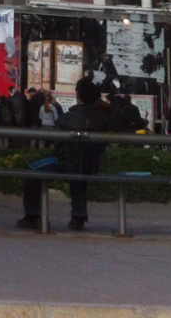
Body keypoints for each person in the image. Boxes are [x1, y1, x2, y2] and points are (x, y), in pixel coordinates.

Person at [18, 76, 107, 232]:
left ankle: (32, 216)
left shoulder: (69, 117)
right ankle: (78, 216)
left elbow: (57, 141)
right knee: (79, 175)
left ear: (77, 94)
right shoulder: (101, 118)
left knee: (30, 168)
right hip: (92, 164)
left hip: (67, 163)